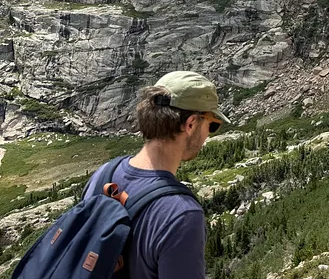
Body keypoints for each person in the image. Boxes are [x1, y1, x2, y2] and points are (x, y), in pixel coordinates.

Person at [83, 71, 229, 278]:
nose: (209, 133)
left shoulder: (103, 174)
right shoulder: (182, 215)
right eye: (212, 124)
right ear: (191, 124)